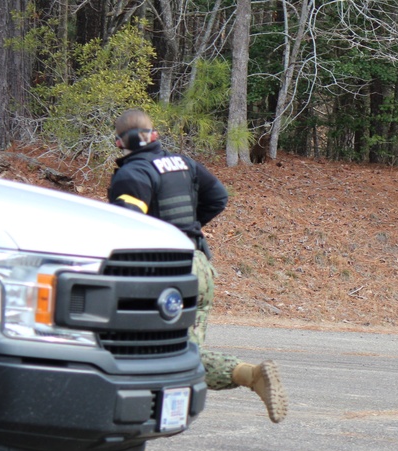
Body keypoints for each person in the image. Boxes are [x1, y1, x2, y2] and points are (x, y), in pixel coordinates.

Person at [108, 109, 288, 423]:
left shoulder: (130, 175)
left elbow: (129, 228)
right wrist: (188, 230)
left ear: (119, 143)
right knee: (175, 354)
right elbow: (218, 197)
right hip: (199, 266)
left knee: (159, 353)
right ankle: (147, 427)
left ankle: (248, 374)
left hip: (164, 272)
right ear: (155, 135)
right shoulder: (184, 163)